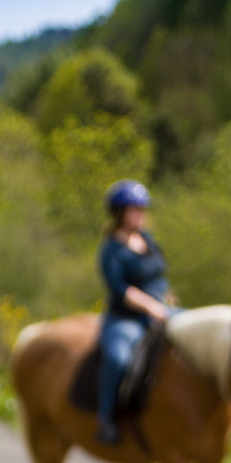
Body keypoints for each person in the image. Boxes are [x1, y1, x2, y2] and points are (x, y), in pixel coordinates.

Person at [96, 179, 172, 444]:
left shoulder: (148, 241)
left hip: (162, 310)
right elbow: (120, 290)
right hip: (125, 319)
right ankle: (105, 419)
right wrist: (153, 307)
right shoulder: (111, 250)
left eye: (143, 209)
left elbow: (160, 275)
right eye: (135, 209)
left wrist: (167, 300)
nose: (141, 214)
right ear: (119, 214)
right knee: (117, 359)